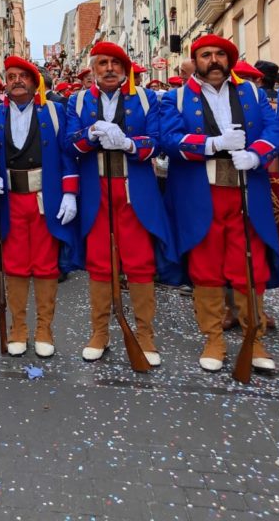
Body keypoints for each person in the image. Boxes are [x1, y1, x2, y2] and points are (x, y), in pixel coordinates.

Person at [159, 35, 279, 373]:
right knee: (206, 268)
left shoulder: (252, 93)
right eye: (205, 55)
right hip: (202, 192)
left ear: (229, 59)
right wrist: (213, 143)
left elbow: (275, 129)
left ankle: (253, 339)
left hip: (246, 191)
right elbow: (168, 139)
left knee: (250, 267)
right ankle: (213, 337)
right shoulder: (176, 98)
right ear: (195, 60)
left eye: (219, 55)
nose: (213, 60)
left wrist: (257, 154)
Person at [67, 43, 173, 367]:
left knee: (140, 263)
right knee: (100, 263)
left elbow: (157, 141)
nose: (109, 68)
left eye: (115, 63)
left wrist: (128, 143)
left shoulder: (146, 98)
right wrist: (91, 134)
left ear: (126, 69)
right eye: (102, 63)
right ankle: (99, 333)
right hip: (96, 190)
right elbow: (68, 141)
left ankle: (145, 334)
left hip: (134, 190)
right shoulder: (78, 100)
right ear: (94, 68)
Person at [0, 56, 79, 358]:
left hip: (44, 198)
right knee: (14, 265)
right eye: (11, 76)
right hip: (10, 199)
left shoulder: (55, 111)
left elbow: (67, 155)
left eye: (23, 75)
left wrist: (70, 192)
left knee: (46, 266)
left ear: (35, 81)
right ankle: (18, 329)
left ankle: (44, 329)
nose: (16, 81)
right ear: (4, 83)